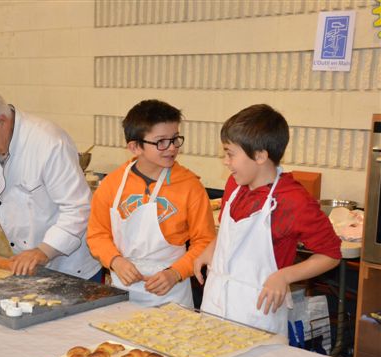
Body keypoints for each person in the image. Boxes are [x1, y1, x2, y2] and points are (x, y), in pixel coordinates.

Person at [194, 104, 341, 334]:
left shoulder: (294, 200)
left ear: (260, 155)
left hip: (257, 315)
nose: (225, 161)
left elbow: (331, 255)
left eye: (230, 153)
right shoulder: (235, 185)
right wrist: (210, 249)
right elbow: (229, 234)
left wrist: (285, 276)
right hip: (215, 304)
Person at [0, 81, 101, 279]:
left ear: (1, 120)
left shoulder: (49, 143)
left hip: (71, 268)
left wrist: (44, 251)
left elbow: (78, 208)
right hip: (25, 262)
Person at [87, 99, 216, 307]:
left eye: (175, 139)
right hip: (122, 288)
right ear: (135, 147)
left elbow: (204, 241)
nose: (171, 148)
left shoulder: (190, 186)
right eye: (161, 142)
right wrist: (115, 261)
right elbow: (97, 234)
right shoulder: (112, 184)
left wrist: (175, 273)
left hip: (171, 292)